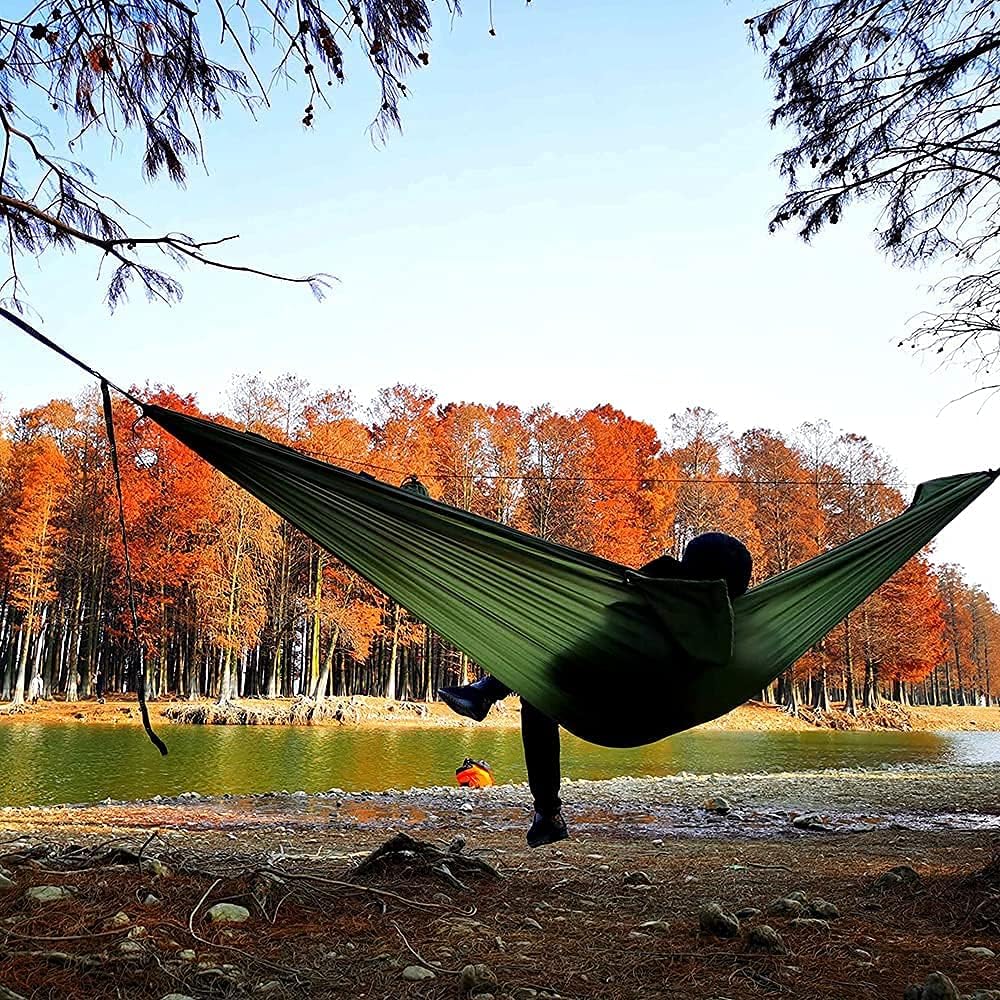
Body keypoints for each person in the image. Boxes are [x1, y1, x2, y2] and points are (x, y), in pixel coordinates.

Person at [438, 532, 754, 848]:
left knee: (538, 687)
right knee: (540, 688)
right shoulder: (734, 628)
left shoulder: (651, 602)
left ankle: (545, 807)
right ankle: (488, 695)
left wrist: (652, 578)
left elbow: (571, 659)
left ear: (687, 570)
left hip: (614, 707)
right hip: (653, 711)